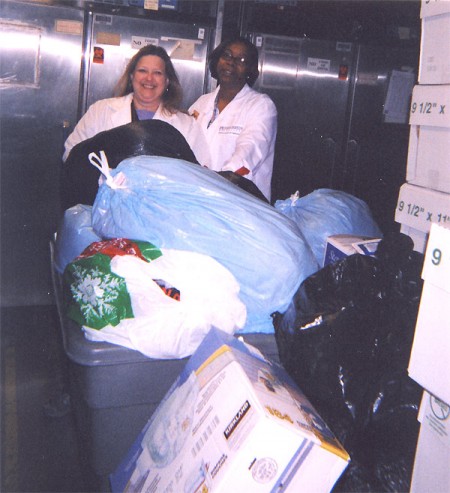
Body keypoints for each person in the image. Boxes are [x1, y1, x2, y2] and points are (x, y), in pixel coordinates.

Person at [63, 44, 208, 165]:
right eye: (142, 71)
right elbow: (72, 154)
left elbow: (201, 171)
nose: (149, 78)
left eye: (157, 73)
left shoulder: (186, 125)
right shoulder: (100, 111)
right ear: (132, 76)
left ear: (167, 81)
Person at [189, 37, 278, 202]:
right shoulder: (201, 103)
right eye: (227, 56)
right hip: (199, 198)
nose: (231, 62)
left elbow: (249, 151)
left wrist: (219, 179)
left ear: (250, 69)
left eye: (241, 60)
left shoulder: (261, 105)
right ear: (217, 60)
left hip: (239, 202)